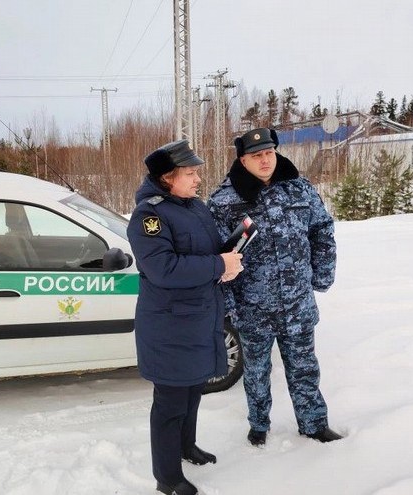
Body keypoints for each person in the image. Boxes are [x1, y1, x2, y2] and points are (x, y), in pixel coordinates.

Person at [208, 128, 343, 446]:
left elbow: (322, 229)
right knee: (256, 370)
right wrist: (229, 304)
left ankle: (314, 424)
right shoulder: (223, 200)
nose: (265, 160)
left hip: (297, 302)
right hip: (253, 306)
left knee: (304, 366)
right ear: (243, 160)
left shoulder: (299, 188)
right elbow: (217, 257)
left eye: (269, 153)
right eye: (256, 155)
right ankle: (258, 425)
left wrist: (322, 274)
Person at [127, 139, 243, 495]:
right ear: (167, 178)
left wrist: (230, 255)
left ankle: (186, 447)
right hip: (170, 326)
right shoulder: (149, 216)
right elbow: (163, 269)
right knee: (171, 403)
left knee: (193, 391)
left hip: (198, 318)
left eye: (196, 173)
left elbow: (204, 252)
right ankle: (167, 477)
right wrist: (218, 265)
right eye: (190, 173)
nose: (197, 179)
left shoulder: (194, 207)